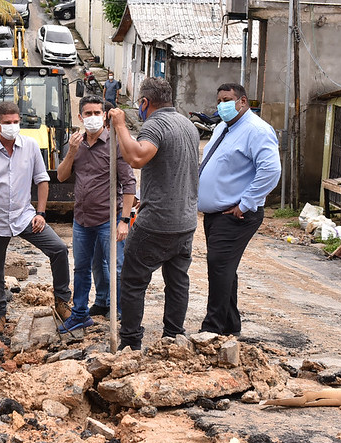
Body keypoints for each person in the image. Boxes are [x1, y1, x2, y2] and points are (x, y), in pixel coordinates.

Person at [108, 77, 200, 350]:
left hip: (157, 222)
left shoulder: (156, 125)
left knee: (133, 280)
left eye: (139, 103)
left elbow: (137, 157)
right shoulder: (188, 125)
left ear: (146, 102)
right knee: (177, 281)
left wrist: (122, 125)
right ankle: (173, 337)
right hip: (185, 220)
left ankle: (130, 343)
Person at [0, 101, 72, 333]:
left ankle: (62, 301)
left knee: (58, 249)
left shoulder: (31, 146)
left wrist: (41, 213)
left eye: (16, 122)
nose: (12, 126)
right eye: (7, 123)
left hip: (24, 216)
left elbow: (42, 180)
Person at [198, 82, 281, 336]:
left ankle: (212, 328)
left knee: (219, 265)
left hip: (236, 215)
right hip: (215, 214)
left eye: (227, 100)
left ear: (242, 102)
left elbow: (271, 170)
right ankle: (230, 325)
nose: (221, 105)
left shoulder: (257, 130)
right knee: (224, 268)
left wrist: (246, 203)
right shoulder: (223, 126)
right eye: (219, 100)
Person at [56, 95, 136, 332]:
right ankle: (80, 313)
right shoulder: (76, 144)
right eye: (87, 114)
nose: (92, 118)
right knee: (82, 268)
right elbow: (61, 176)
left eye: (96, 113)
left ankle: (121, 314)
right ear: (80, 117)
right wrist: (71, 151)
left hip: (108, 219)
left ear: (104, 116)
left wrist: (124, 220)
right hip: (81, 219)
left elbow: (129, 184)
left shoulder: (115, 144)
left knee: (117, 267)